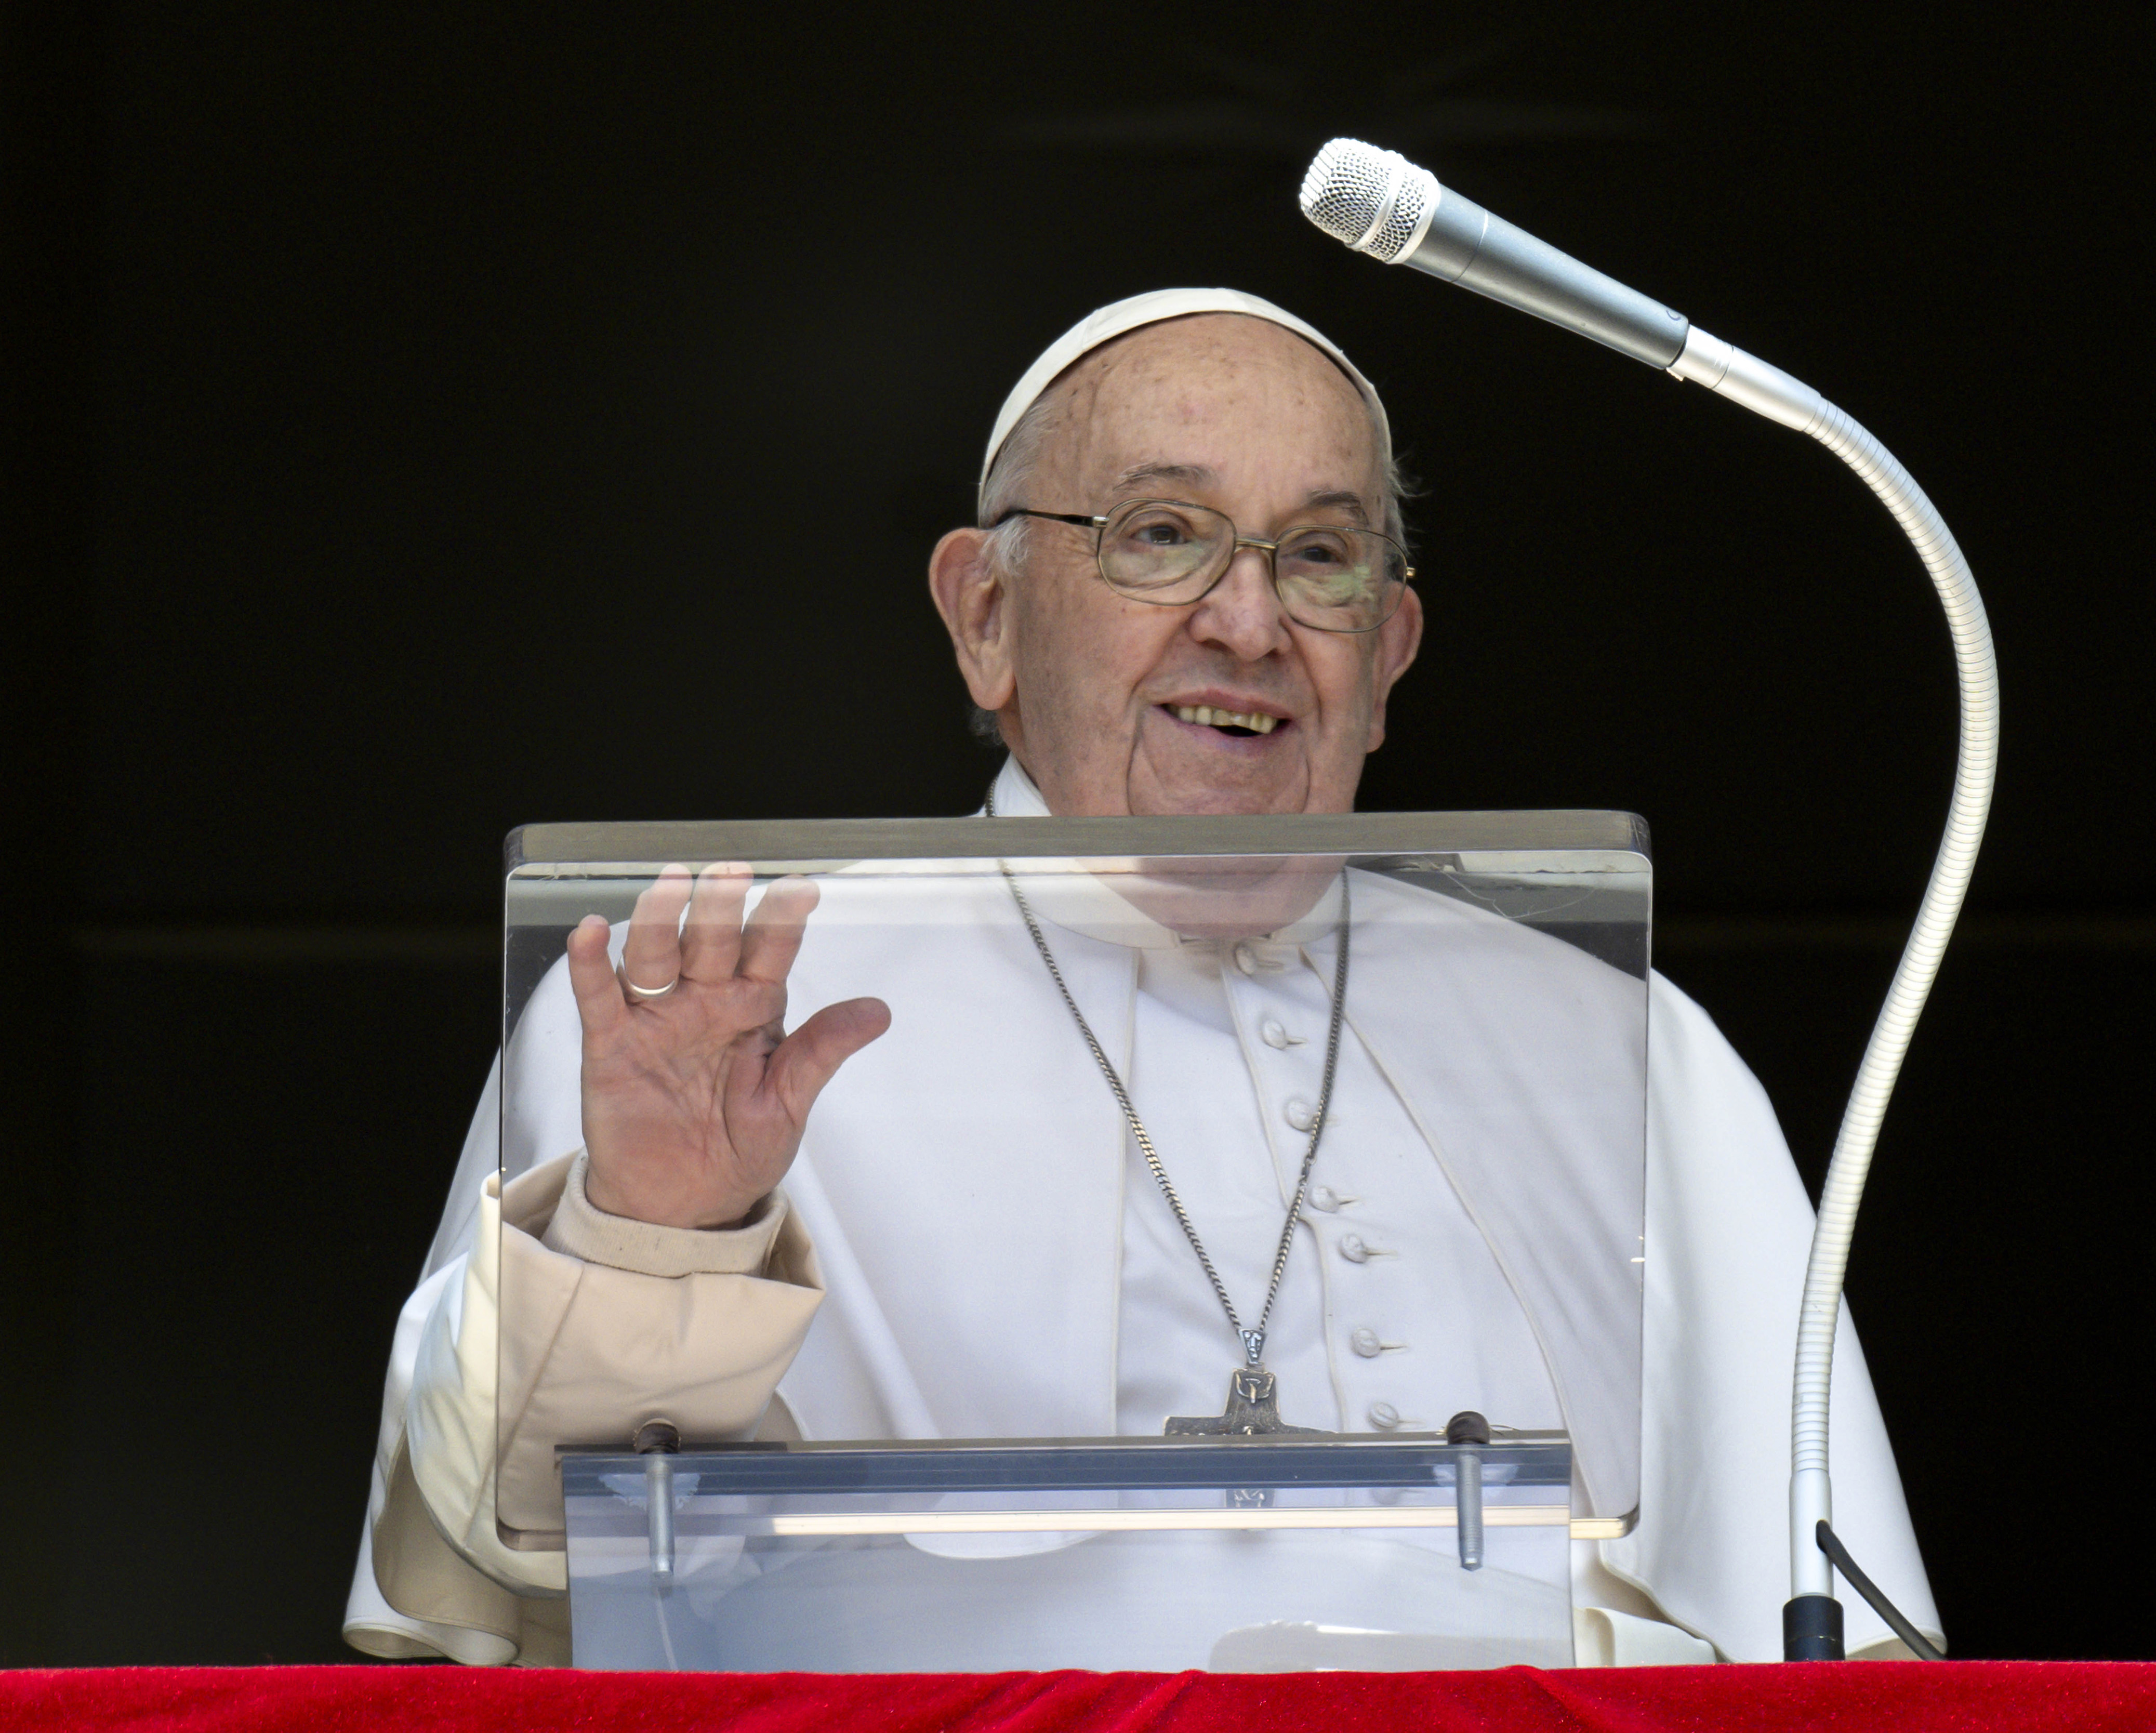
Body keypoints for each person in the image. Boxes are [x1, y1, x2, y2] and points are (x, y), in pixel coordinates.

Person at [341, 288, 1939, 1668]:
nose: (1245, 623)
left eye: (1321, 557)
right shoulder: (704, 1007)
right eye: (1161, 535)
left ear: (1386, 659)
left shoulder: (1623, 1042)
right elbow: (529, 1580)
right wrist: (660, 1237)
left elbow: (1823, 1643)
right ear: (986, 617)